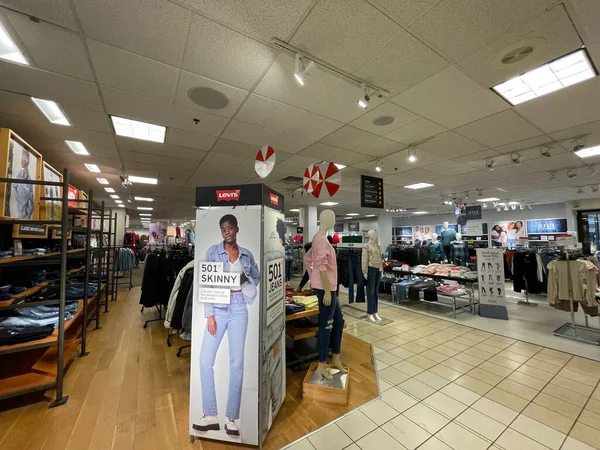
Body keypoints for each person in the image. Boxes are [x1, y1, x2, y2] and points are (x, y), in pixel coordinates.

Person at [195, 214, 260, 437]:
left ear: (237, 229)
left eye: (230, 227)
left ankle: (232, 417)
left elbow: (257, 278)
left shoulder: (247, 255)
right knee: (205, 361)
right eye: (223, 228)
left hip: (239, 308)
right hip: (219, 310)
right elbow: (206, 282)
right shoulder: (213, 252)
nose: (226, 231)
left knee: (236, 364)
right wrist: (210, 315)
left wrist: (243, 282)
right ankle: (210, 415)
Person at [13, 149, 34, 219]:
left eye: (23, 158)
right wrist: (17, 198)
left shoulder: (29, 180)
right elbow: (14, 186)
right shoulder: (19, 174)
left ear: (27, 160)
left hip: (24, 217)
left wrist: (28, 215)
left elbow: (32, 201)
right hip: (19, 214)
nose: (21, 160)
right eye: (21, 158)